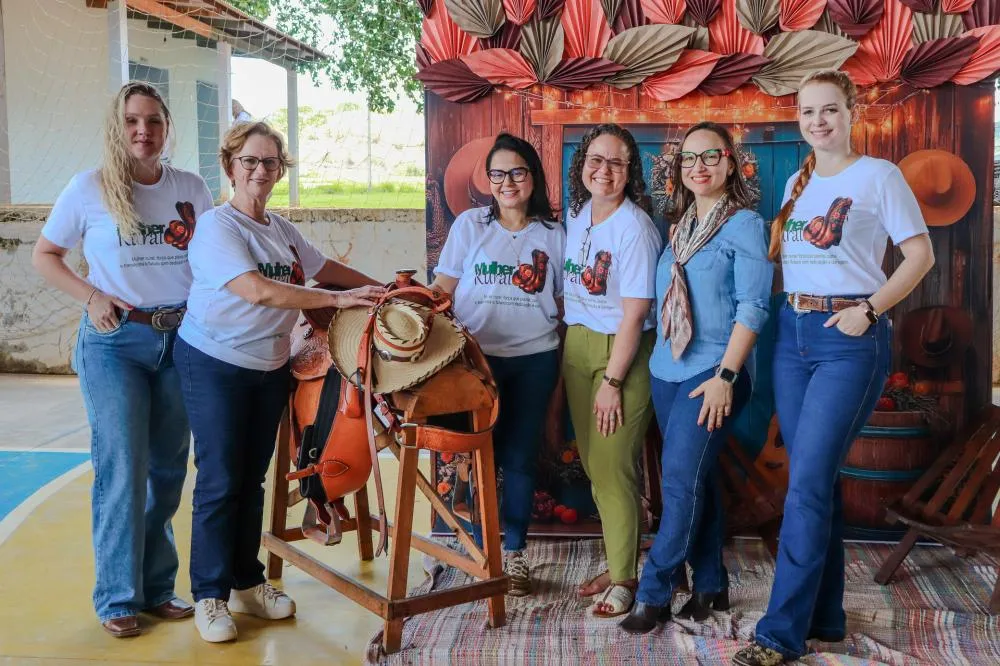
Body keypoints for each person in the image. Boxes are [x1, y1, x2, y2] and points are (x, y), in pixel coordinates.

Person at [733, 70, 934, 666]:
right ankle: (826, 617)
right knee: (813, 481)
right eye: (807, 112)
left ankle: (779, 634)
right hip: (792, 334)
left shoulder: (879, 176)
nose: (818, 121)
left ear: (851, 113)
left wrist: (868, 310)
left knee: (806, 485)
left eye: (829, 109)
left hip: (848, 339)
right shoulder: (796, 182)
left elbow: (920, 255)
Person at [174, 121, 384, 643]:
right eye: (250, 161)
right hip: (215, 361)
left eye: (270, 162)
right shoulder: (218, 227)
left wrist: (385, 290)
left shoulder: (281, 229)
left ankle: (247, 581)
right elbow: (258, 290)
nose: (261, 170)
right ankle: (210, 595)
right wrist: (337, 300)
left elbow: (325, 266)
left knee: (253, 479)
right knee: (221, 478)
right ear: (230, 167)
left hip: (268, 366)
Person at [32, 82, 214, 638]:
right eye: (133, 120)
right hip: (115, 343)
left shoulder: (191, 187)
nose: (143, 131)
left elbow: (213, 259)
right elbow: (46, 255)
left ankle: (157, 588)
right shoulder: (88, 188)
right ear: (118, 127)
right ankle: (116, 596)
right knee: (123, 468)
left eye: (154, 120)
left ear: (167, 127)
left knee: (167, 472)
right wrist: (91, 295)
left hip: (181, 341)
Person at [620, 122, 772, 633]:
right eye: (689, 158)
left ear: (730, 163)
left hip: (713, 372)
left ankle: (654, 592)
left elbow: (753, 308)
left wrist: (727, 375)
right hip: (666, 371)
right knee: (695, 480)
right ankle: (710, 584)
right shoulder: (680, 227)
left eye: (710, 156)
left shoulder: (744, 225)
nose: (698, 167)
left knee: (681, 482)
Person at [431, 133, 565, 596]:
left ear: (533, 177)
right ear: (487, 180)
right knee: (477, 454)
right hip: (475, 361)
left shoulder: (554, 235)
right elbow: (443, 289)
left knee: (521, 457)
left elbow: (566, 302)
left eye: (517, 172)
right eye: (497, 174)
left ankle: (515, 552)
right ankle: (481, 547)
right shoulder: (470, 225)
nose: (507, 182)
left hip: (535, 359)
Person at [562, 124, 662, 617]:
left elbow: (635, 313)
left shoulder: (635, 228)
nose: (604, 170)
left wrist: (613, 381)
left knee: (612, 467)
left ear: (630, 171)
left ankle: (624, 579)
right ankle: (619, 557)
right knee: (593, 465)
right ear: (583, 165)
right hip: (577, 344)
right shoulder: (578, 215)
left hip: (621, 352)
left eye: (616, 162)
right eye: (596, 160)